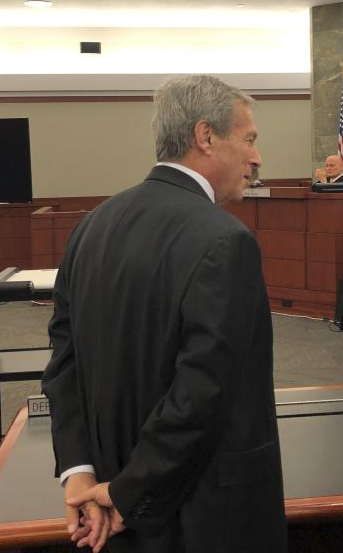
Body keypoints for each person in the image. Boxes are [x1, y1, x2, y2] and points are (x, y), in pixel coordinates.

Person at [42, 75, 286, 553]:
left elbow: (63, 364)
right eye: (250, 139)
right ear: (205, 136)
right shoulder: (226, 241)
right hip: (201, 520)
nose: (257, 158)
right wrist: (127, 491)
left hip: (103, 510)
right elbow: (201, 394)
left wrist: (79, 472)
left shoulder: (90, 227)